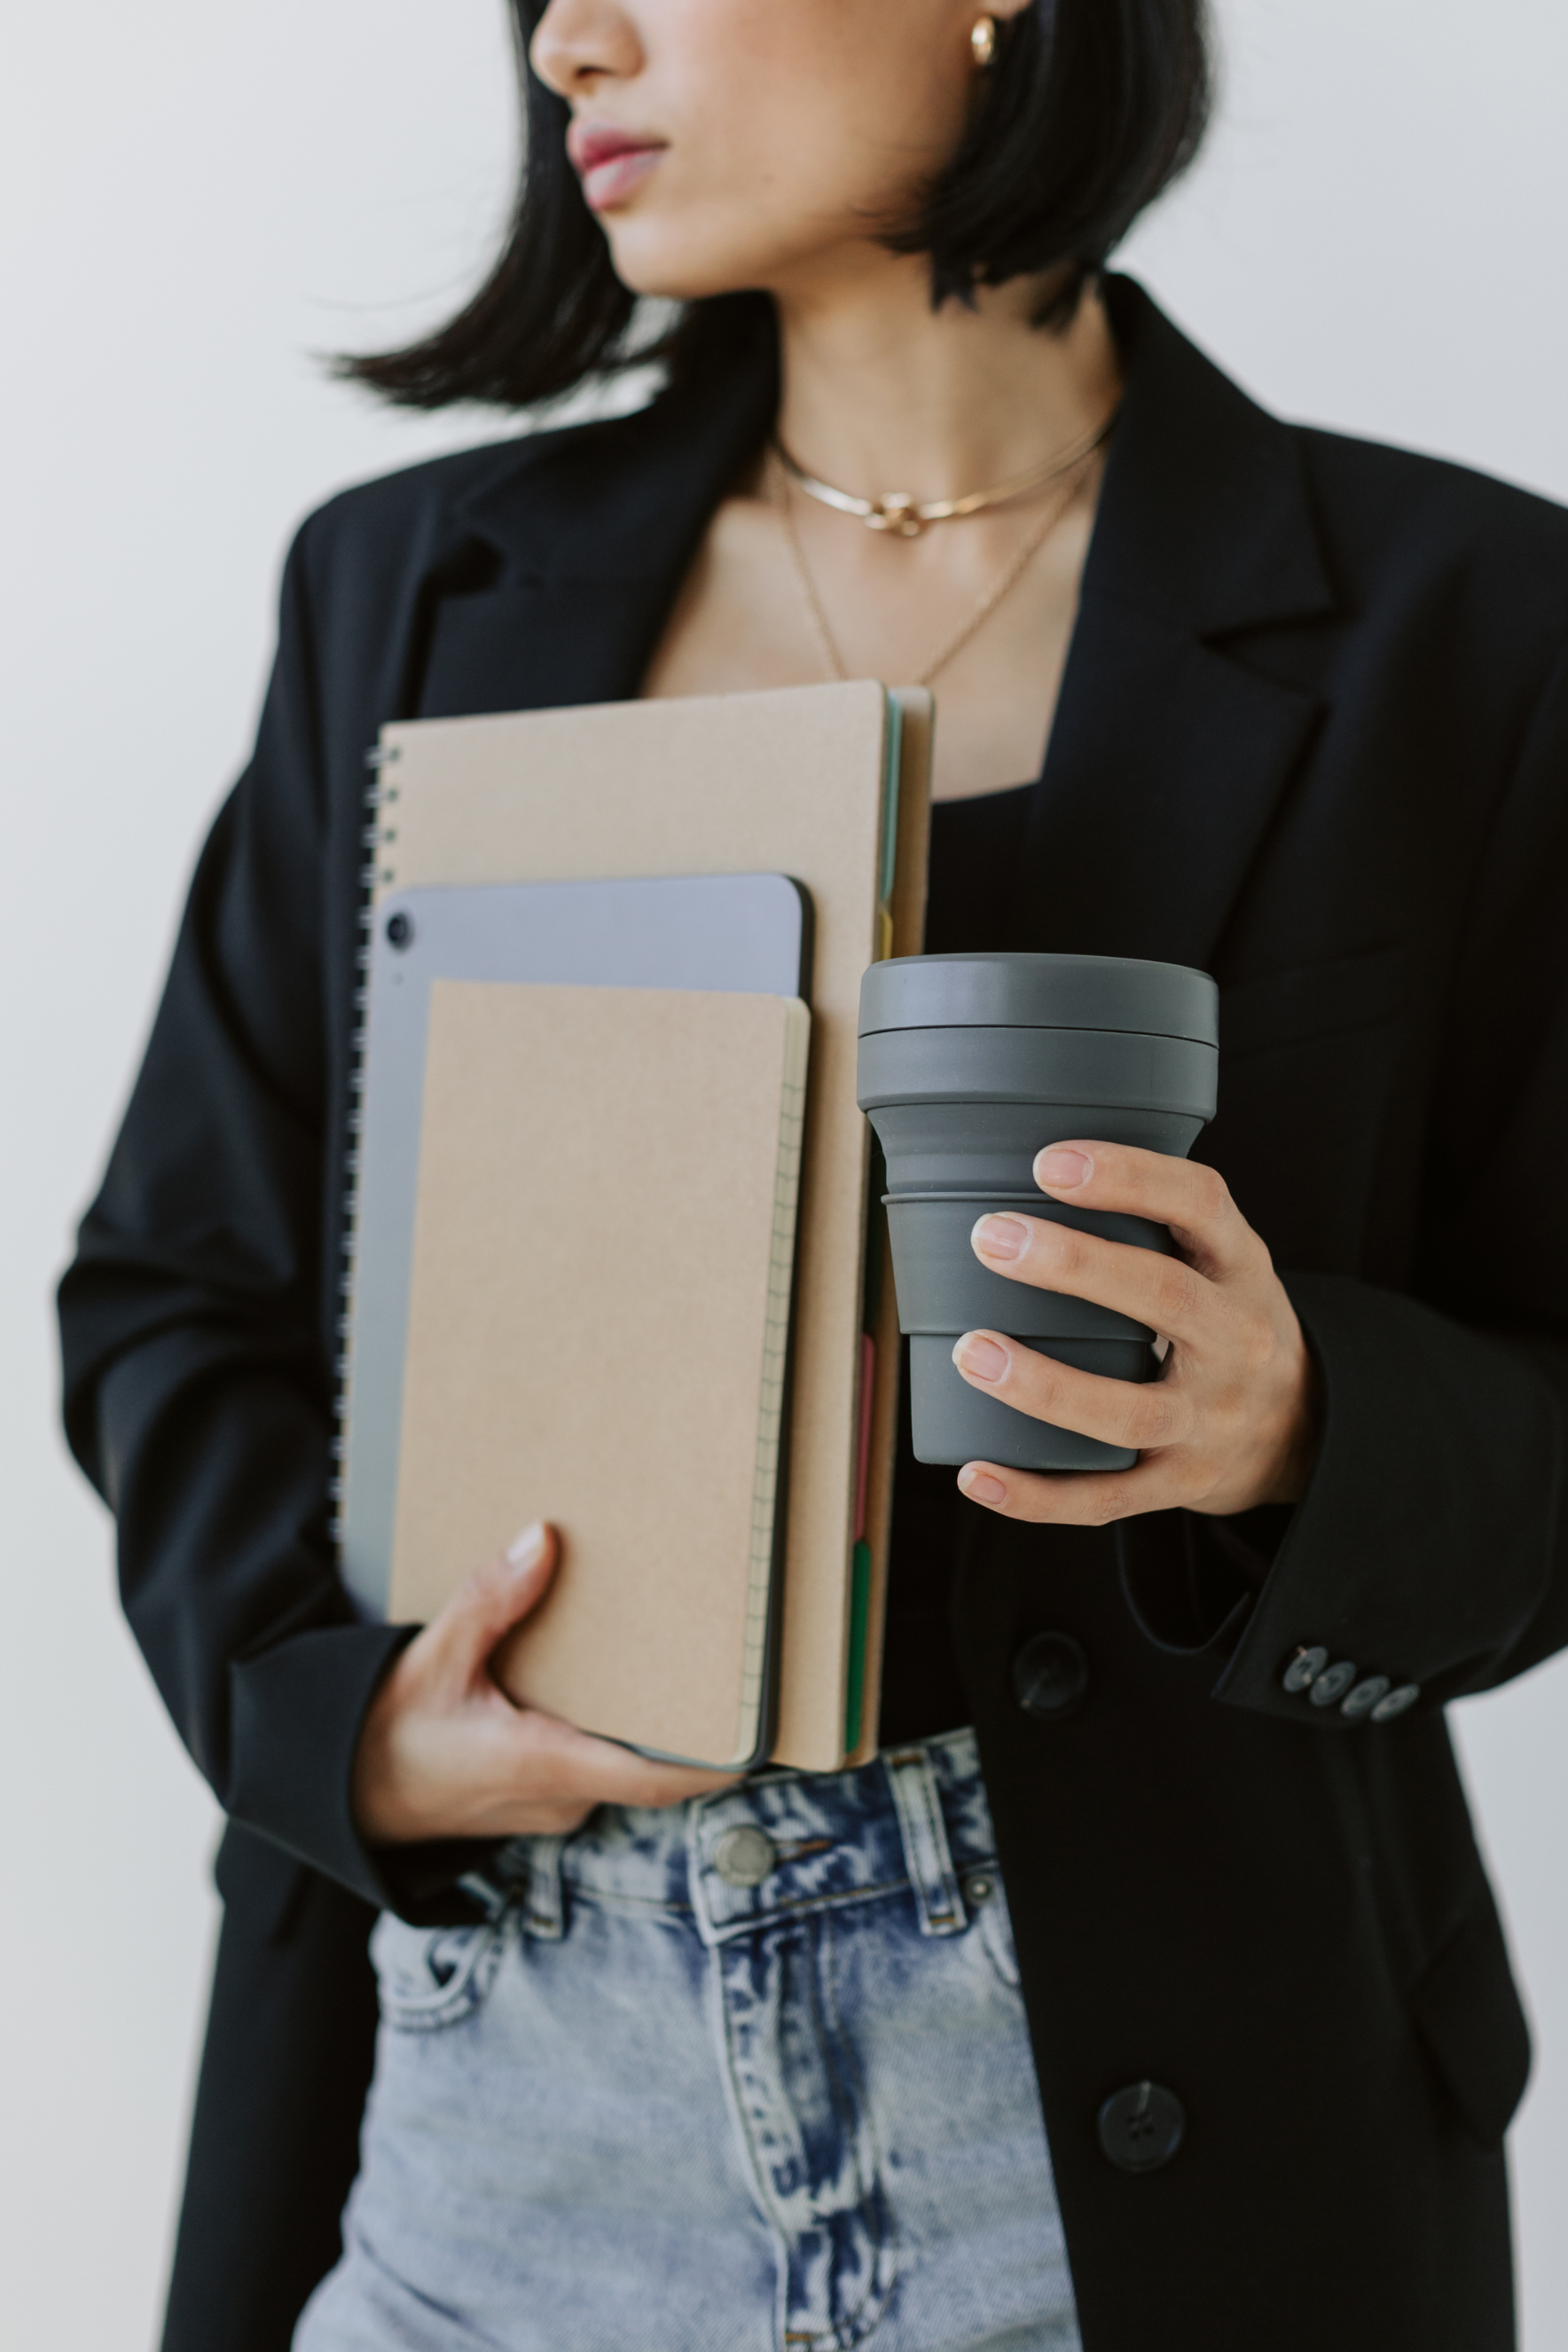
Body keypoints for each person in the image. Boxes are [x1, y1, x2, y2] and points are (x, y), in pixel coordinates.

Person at [57, 0, 1568, 2346]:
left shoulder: (1469, 623)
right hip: (506, 2087)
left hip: (1145, 2138)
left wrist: (1300, 1422)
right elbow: (176, 1284)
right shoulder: (408, 592)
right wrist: (349, 1717)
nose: (574, 37)